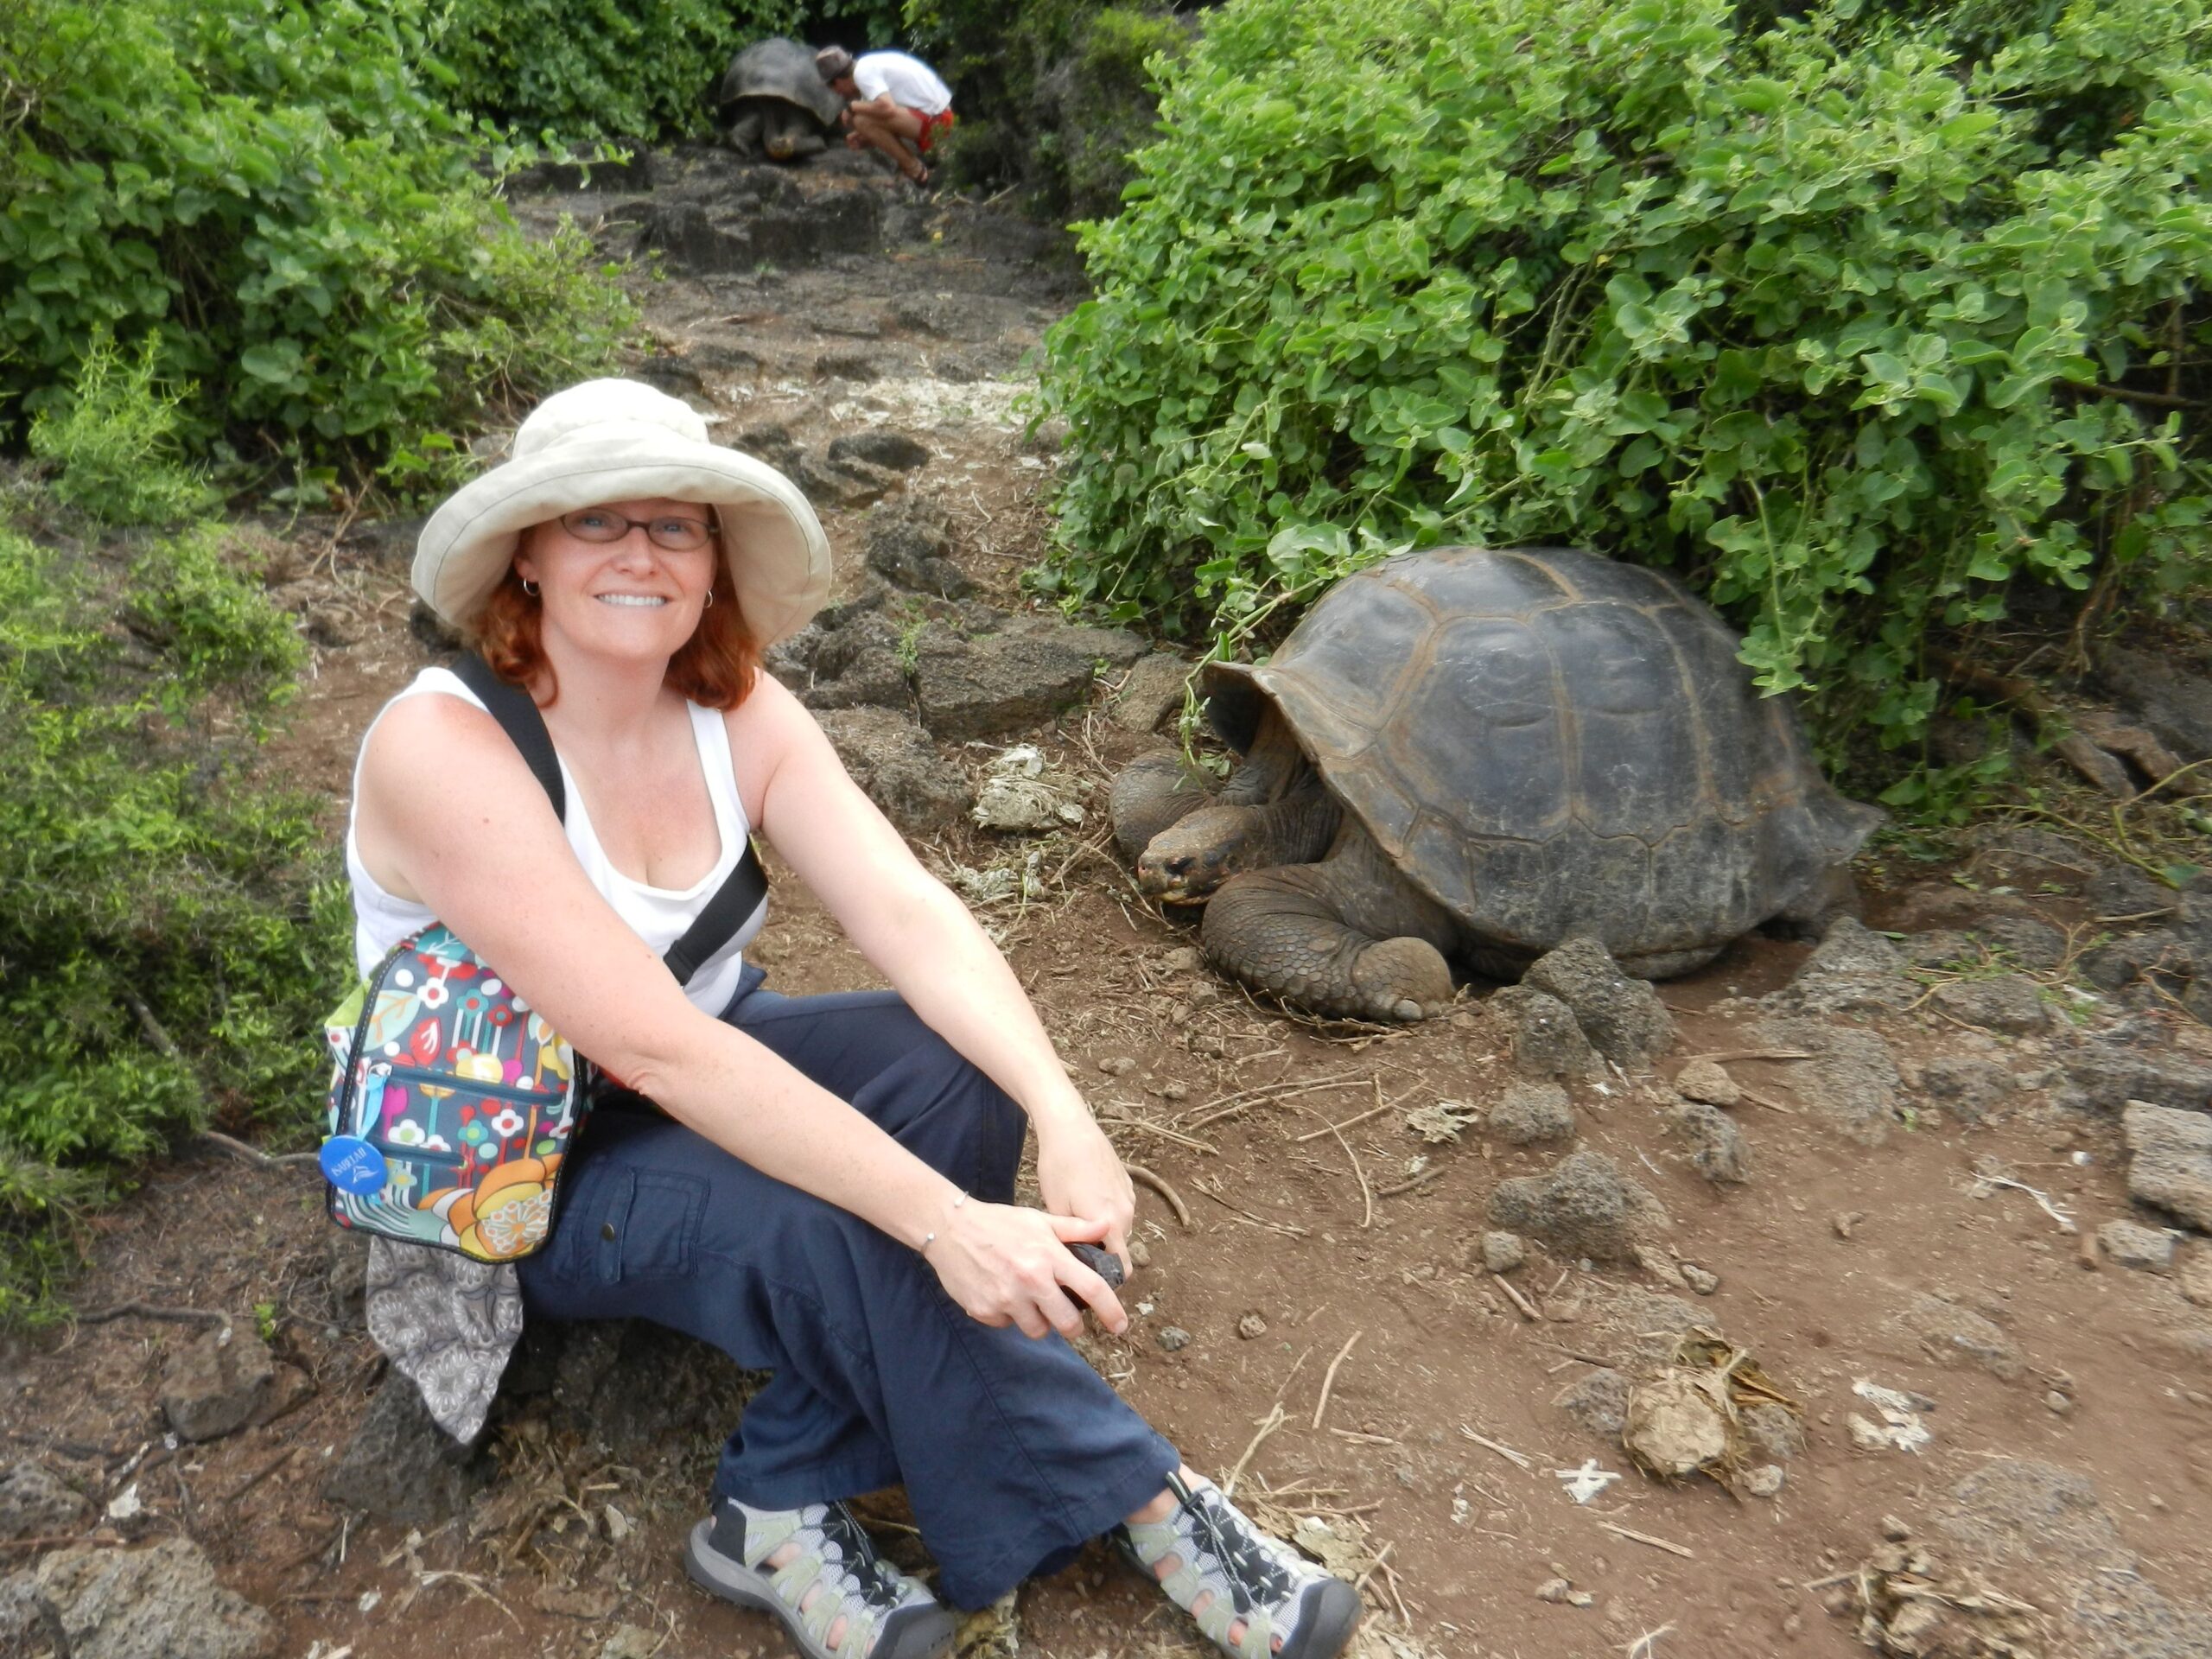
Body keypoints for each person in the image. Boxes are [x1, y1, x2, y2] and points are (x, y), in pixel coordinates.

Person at [346, 377, 1363, 1659]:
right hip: (531, 1161)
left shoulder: (736, 712)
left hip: (704, 1072)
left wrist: (1064, 1114)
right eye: (596, 520)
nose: (639, 553)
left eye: (674, 526)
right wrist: (947, 1222)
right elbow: (655, 1045)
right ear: (528, 557)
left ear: (712, 563)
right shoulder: (442, 749)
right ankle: (1149, 1499)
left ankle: (776, 1494)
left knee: (959, 1073)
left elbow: (912, 913)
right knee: (843, 1222)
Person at [814, 44, 953, 188]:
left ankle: (916, 170)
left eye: (835, 89)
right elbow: (885, 117)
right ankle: (918, 167)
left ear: (837, 81)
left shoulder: (862, 73)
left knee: (860, 120)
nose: (839, 94)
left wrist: (852, 107)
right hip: (938, 117)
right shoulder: (868, 66)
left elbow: (887, 108)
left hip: (938, 122)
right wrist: (866, 136)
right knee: (864, 120)